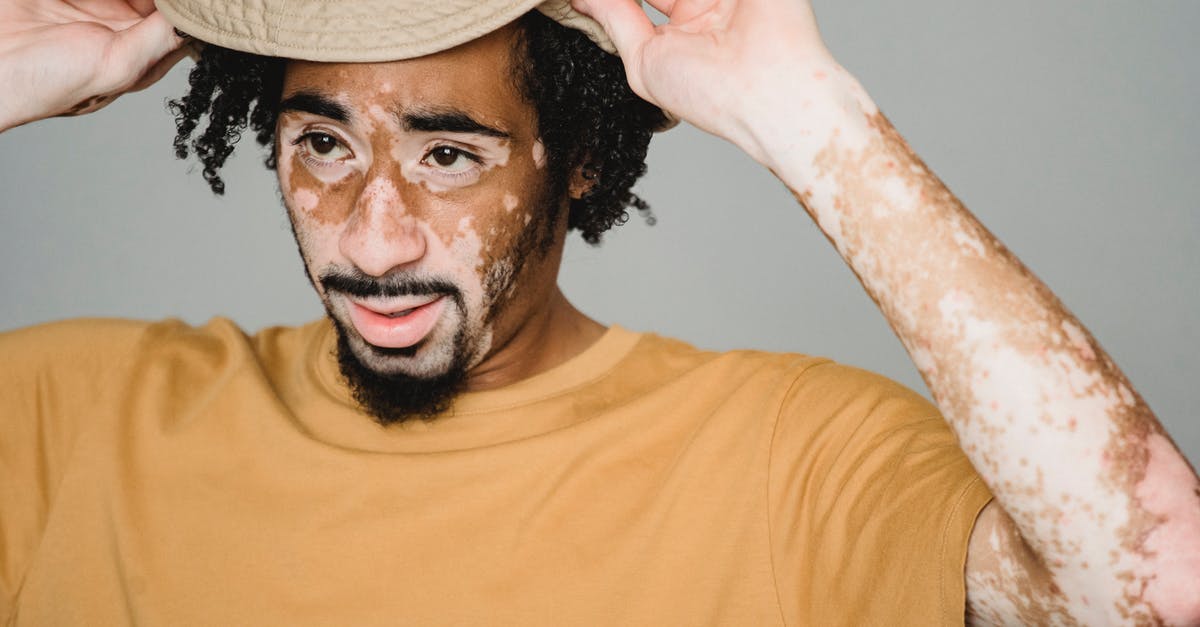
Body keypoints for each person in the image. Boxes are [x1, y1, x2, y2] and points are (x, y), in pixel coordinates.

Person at [1, 0, 1197, 624]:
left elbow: (1159, 589)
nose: (372, 236)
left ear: (574, 158)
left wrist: (806, 116)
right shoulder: (71, 418)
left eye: (449, 156)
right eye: (323, 145)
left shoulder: (788, 459)